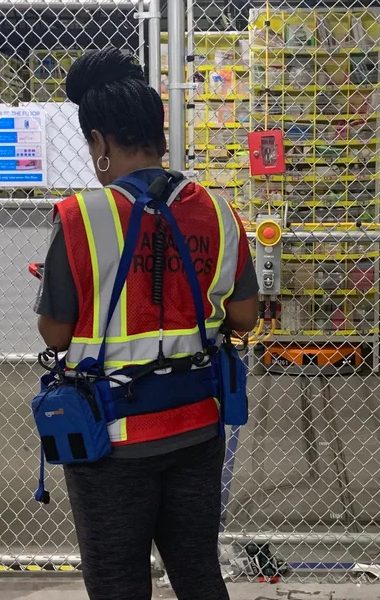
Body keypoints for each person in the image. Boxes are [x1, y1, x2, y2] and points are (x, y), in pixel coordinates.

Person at [33, 47, 259, 600]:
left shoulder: (80, 217)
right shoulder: (220, 212)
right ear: (160, 138)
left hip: (112, 440)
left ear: (100, 144)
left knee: (118, 581)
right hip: (199, 426)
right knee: (197, 570)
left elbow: (56, 334)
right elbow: (244, 316)